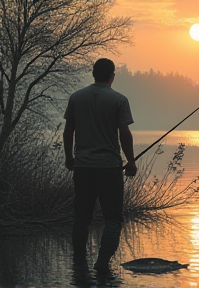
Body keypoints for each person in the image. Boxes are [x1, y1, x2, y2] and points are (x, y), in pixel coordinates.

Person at [63, 58, 137, 276]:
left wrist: (69, 158)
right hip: (109, 169)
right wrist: (131, 161)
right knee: (113, 219)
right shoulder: (119, 100)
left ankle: (79, 264)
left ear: (93, 74)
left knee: (82, 219)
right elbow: (124, 134)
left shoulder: (76, 98)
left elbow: (68, 132)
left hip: (83, 167)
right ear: (112, 75)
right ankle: (103, 262)